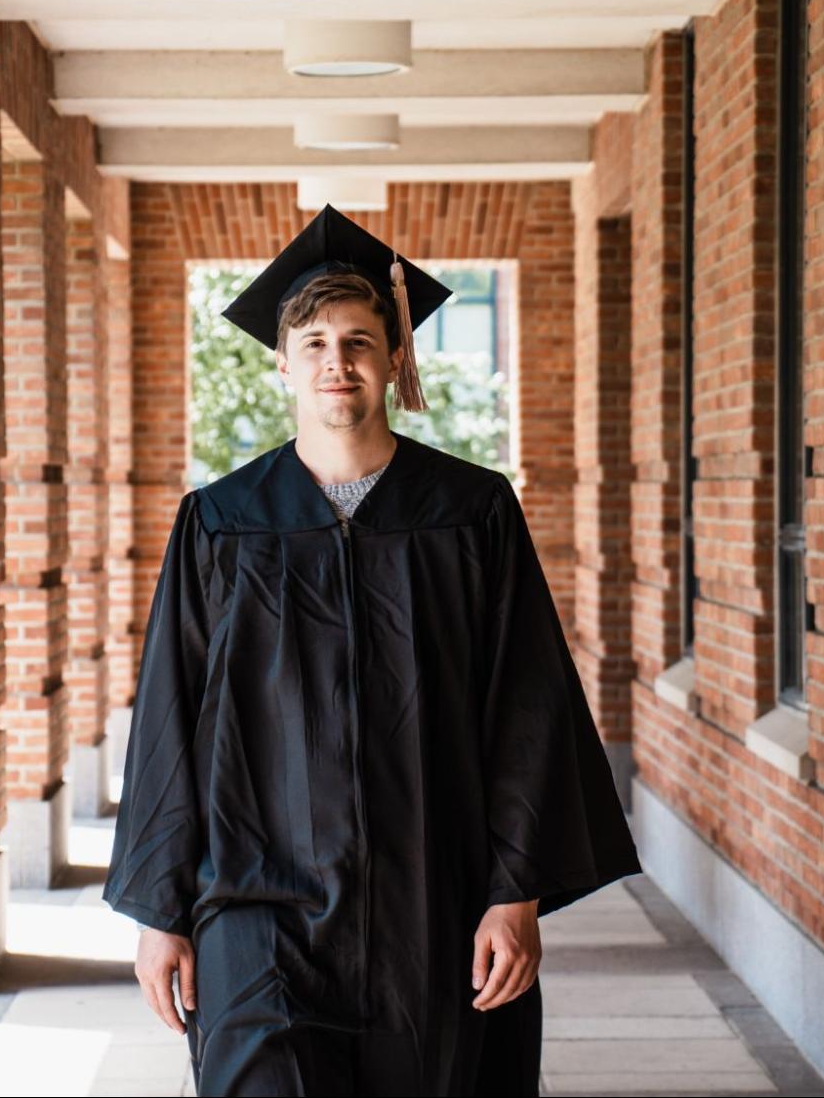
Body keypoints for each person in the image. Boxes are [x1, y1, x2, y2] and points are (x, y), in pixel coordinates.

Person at [103, 203, 642, 1095]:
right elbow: (169, 721)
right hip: (255, 907)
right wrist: (160, 911)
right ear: (281, 361)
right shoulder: (221, 522)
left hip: (435, 901)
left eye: (358, 339)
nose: (335, 360)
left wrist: (517, 892)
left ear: (395, 357)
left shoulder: (471, 512)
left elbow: (526, 707)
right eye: (312, 341)